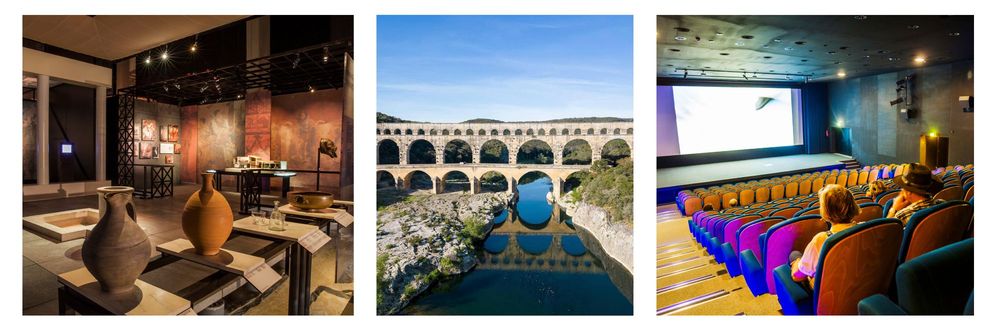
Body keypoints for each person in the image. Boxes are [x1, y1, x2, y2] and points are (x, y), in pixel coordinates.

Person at [788, 184, 860, 288]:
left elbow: (798, 276)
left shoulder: (822, 240)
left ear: (826, 211)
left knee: (794, 255)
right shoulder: (867, 228)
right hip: (858, 286)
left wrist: (797, 263)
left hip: (830, 294)